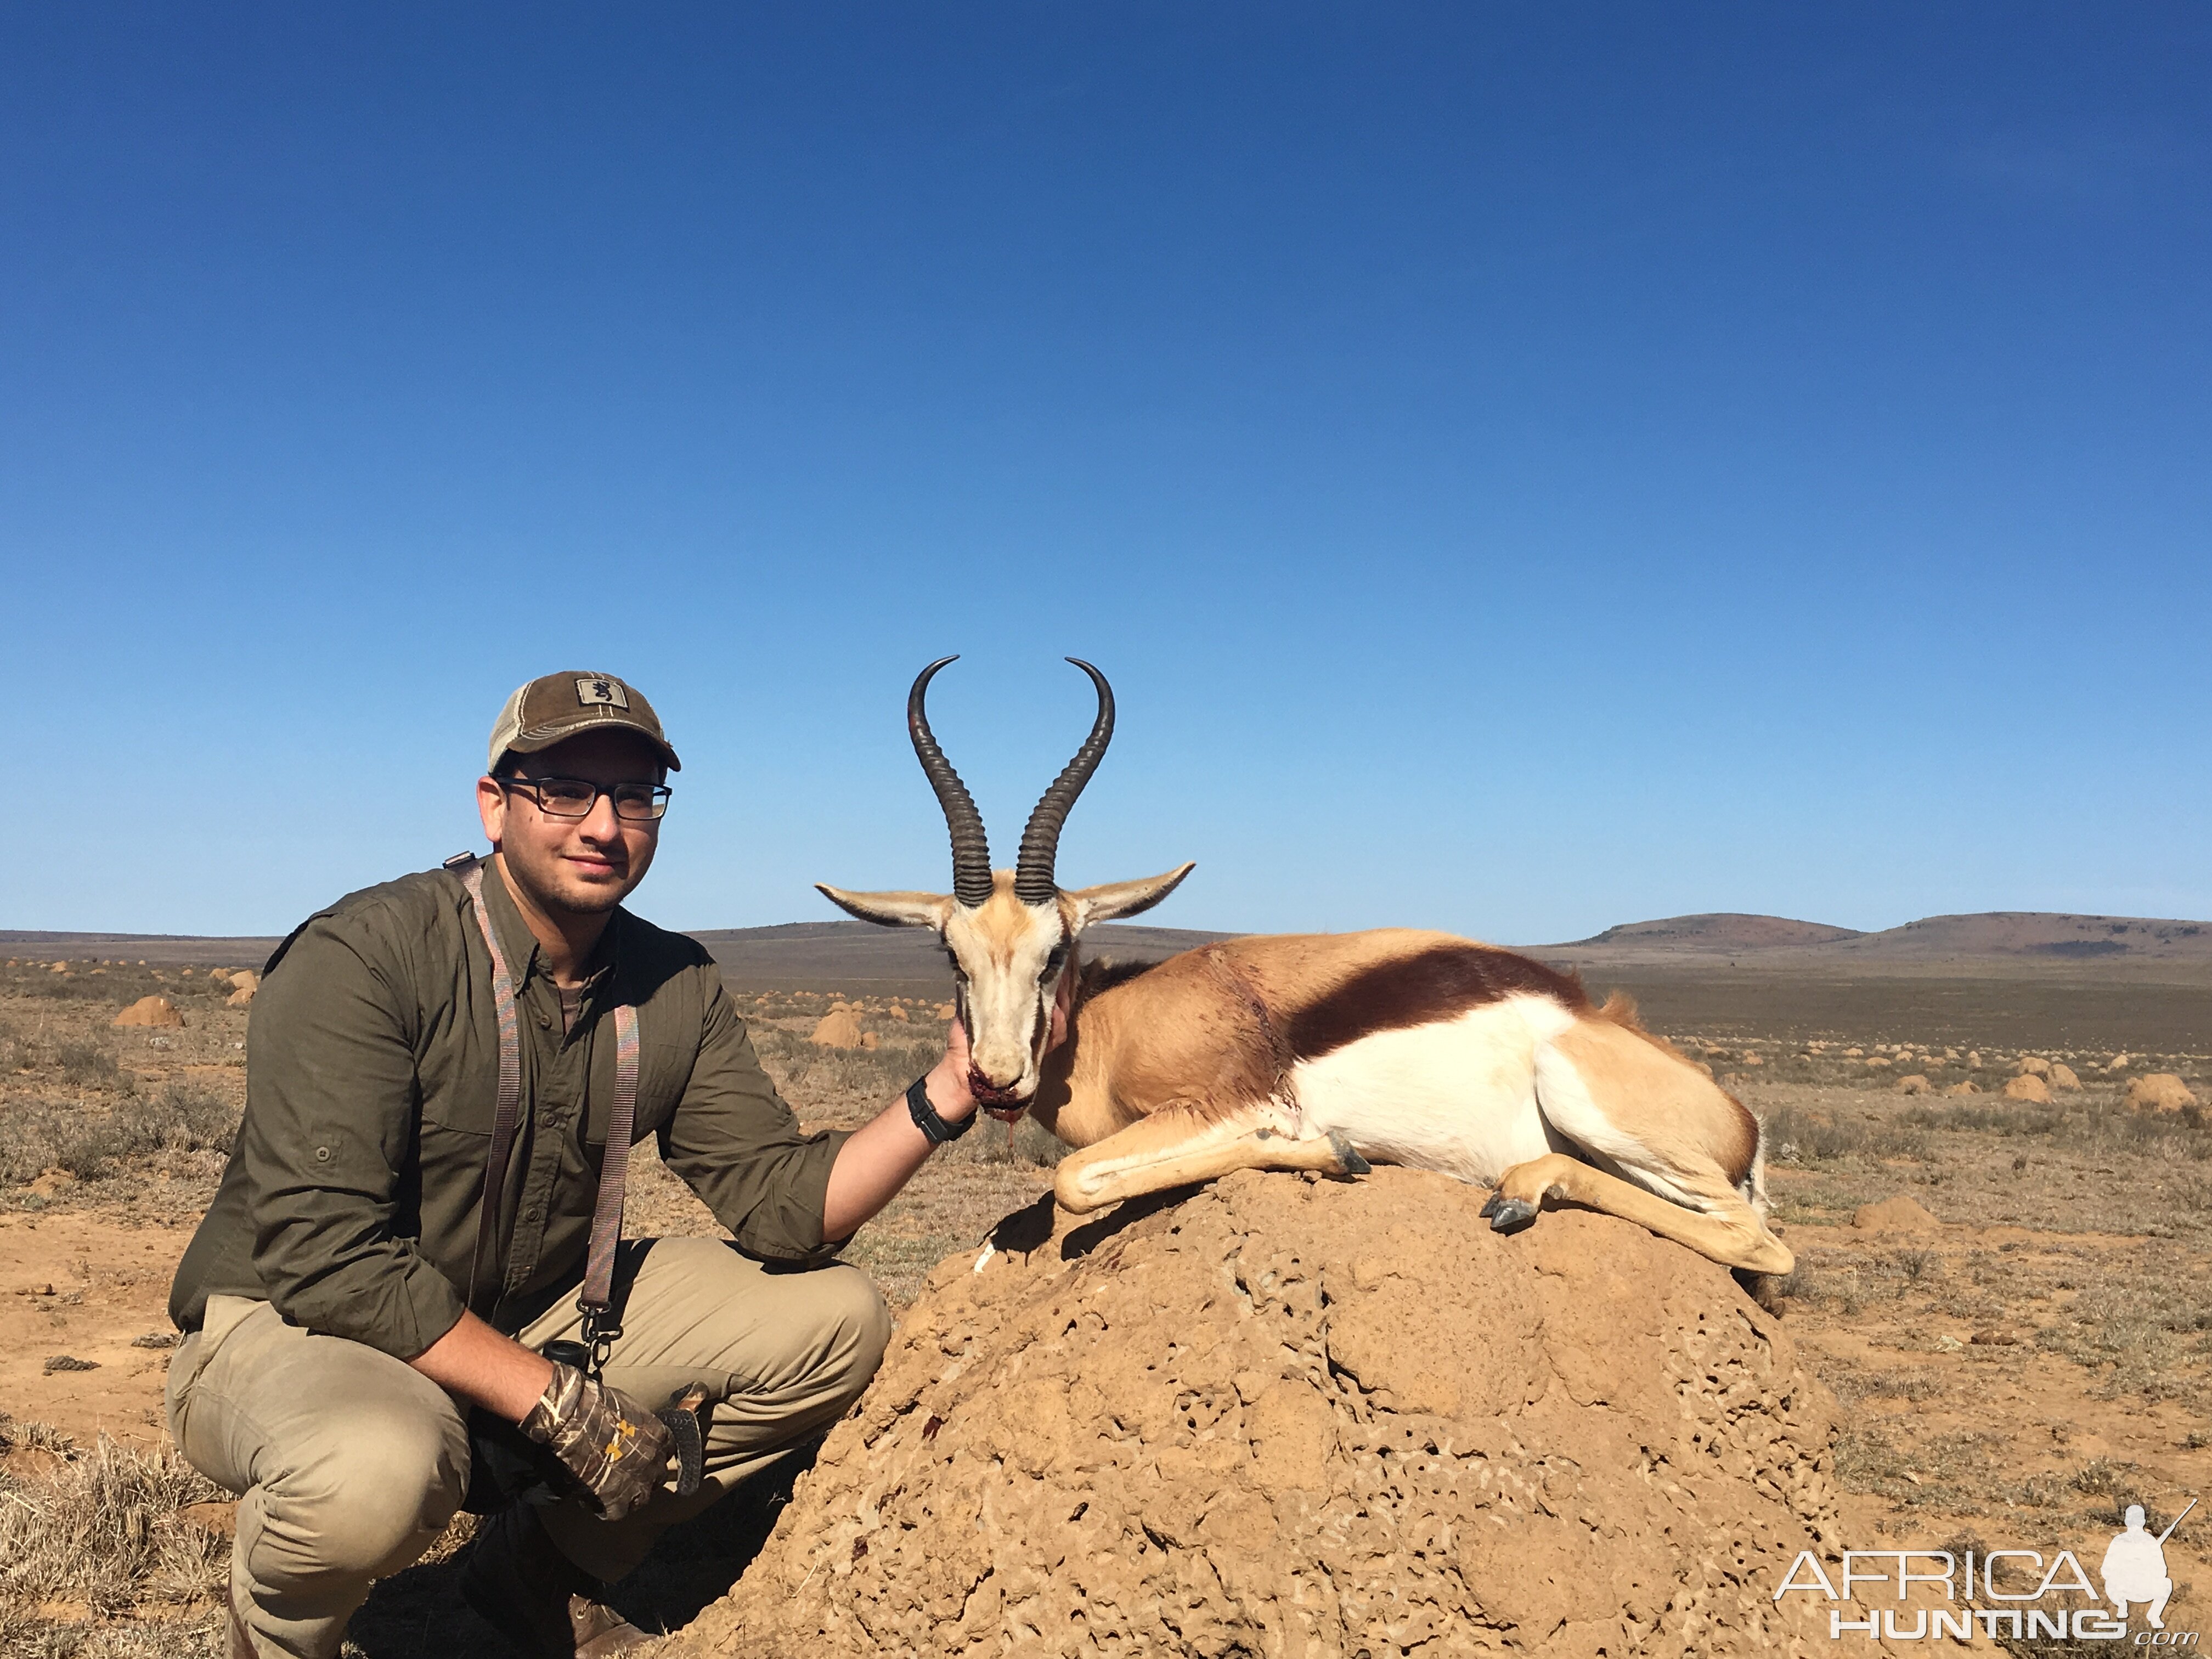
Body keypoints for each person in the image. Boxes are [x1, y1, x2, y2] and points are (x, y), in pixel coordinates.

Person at [166, 670, 1035, 1659]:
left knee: (840, 1320)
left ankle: (533, 1570)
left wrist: (946, 1091)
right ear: (495, 805)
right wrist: (552, 1399)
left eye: (633, 796)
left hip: (523, 1308)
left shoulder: (676, 981)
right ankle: (276, 1630)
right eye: (565, 788)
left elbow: (785, 1207)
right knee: (376, 1468)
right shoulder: (366, 953)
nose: (603, 824)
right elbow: (328, 1255)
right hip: (297, 1317)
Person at [2101, 1504, 2174, 1629]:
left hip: (2139, 1588)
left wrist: (2144, 1568)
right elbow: (2106, 1571)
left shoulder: (2148, 1543)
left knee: (2166, 1583)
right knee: (2167, 1583)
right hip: (2125, 1587)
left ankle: (2153, 1615)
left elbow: (2161, 1571)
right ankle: (2123, 1606)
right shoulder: (2121, 1541)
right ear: (2144, 1522)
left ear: (2126, 1521)